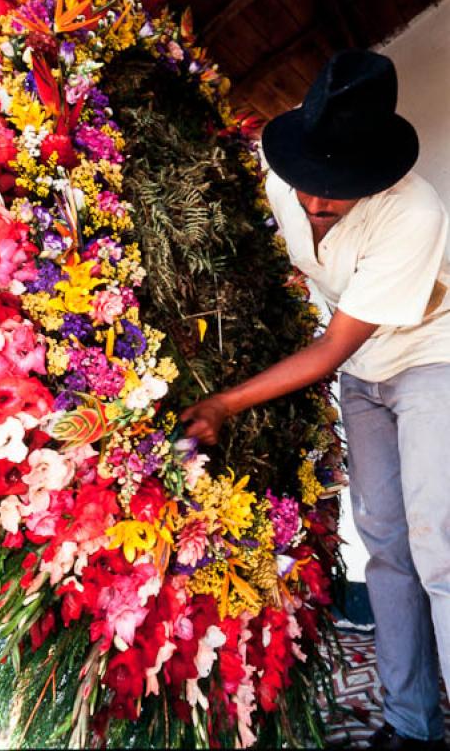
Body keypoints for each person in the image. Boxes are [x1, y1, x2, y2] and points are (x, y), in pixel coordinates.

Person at [181, 49, 450, 750]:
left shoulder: (414, 210)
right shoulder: (281, 171)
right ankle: (410, 724)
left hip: (431, 358)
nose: (312, 201)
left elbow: (330, 347)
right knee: (385, 545)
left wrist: (224, 403)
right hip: (365, 369)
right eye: (306, 181)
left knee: (439, 546)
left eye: (334, 188)